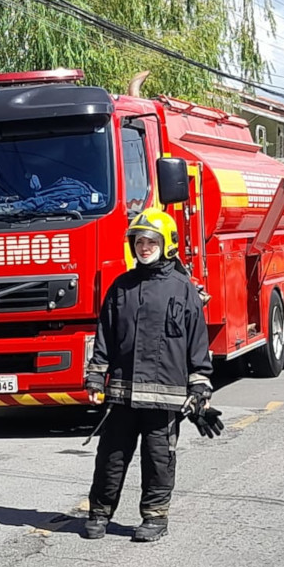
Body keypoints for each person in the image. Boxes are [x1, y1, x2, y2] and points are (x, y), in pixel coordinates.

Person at [83, 209, 215, 543]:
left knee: (158, 460)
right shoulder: (121, 288)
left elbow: (197, 344)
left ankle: (154, 519)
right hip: (122, 396)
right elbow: (105, 338)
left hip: (164, 399)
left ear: (166, 244)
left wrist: (200, 387)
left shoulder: (184, 289)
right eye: (139, 241)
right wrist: (96, 378)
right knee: (111, 458)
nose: (144, 247)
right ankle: (99, 513)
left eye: (151, 241)